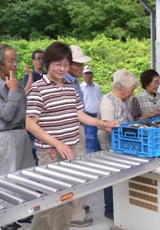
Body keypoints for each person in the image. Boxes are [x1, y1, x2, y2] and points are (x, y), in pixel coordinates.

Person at [26, 41, 119, 230]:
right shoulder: (38, 88)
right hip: (51, 152)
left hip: (73, 148)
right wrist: (57, 143)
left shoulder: (70, 87)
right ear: (48, 63)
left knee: (70, 197)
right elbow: (29, 123)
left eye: (66, 64)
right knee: (49, 200)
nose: (62, 69)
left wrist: (104, 123)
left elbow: (80, 115)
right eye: (57, 64)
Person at [0, 44, 35, 230]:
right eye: (10, 60)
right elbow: (5, 115)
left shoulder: (16, 81)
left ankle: (21, 212)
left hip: (21, 131)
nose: (15, 64)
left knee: (24, 173)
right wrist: (13, 90)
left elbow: (23, 110)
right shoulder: (12, 85)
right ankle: (5, 219)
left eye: (16, 60)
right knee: (7, 175)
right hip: (5, 135)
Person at [97, 69, 139, 220]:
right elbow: (108, 128)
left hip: (122, 146)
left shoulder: (123, 100)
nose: (132, 93)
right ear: (123, 88)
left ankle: (120, 207)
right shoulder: (107, 101)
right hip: (111, 145)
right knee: (111, 177)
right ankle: (110, 209)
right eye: (132, 90)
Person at [64, 45, 94, 227]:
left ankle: (77, 207)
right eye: (78, 65)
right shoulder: (65, 82)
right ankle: (76, 214)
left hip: (79, 128)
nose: (82, 69)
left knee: (79, 170)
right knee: (75, 173)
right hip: (71, 132)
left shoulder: (73, 81)